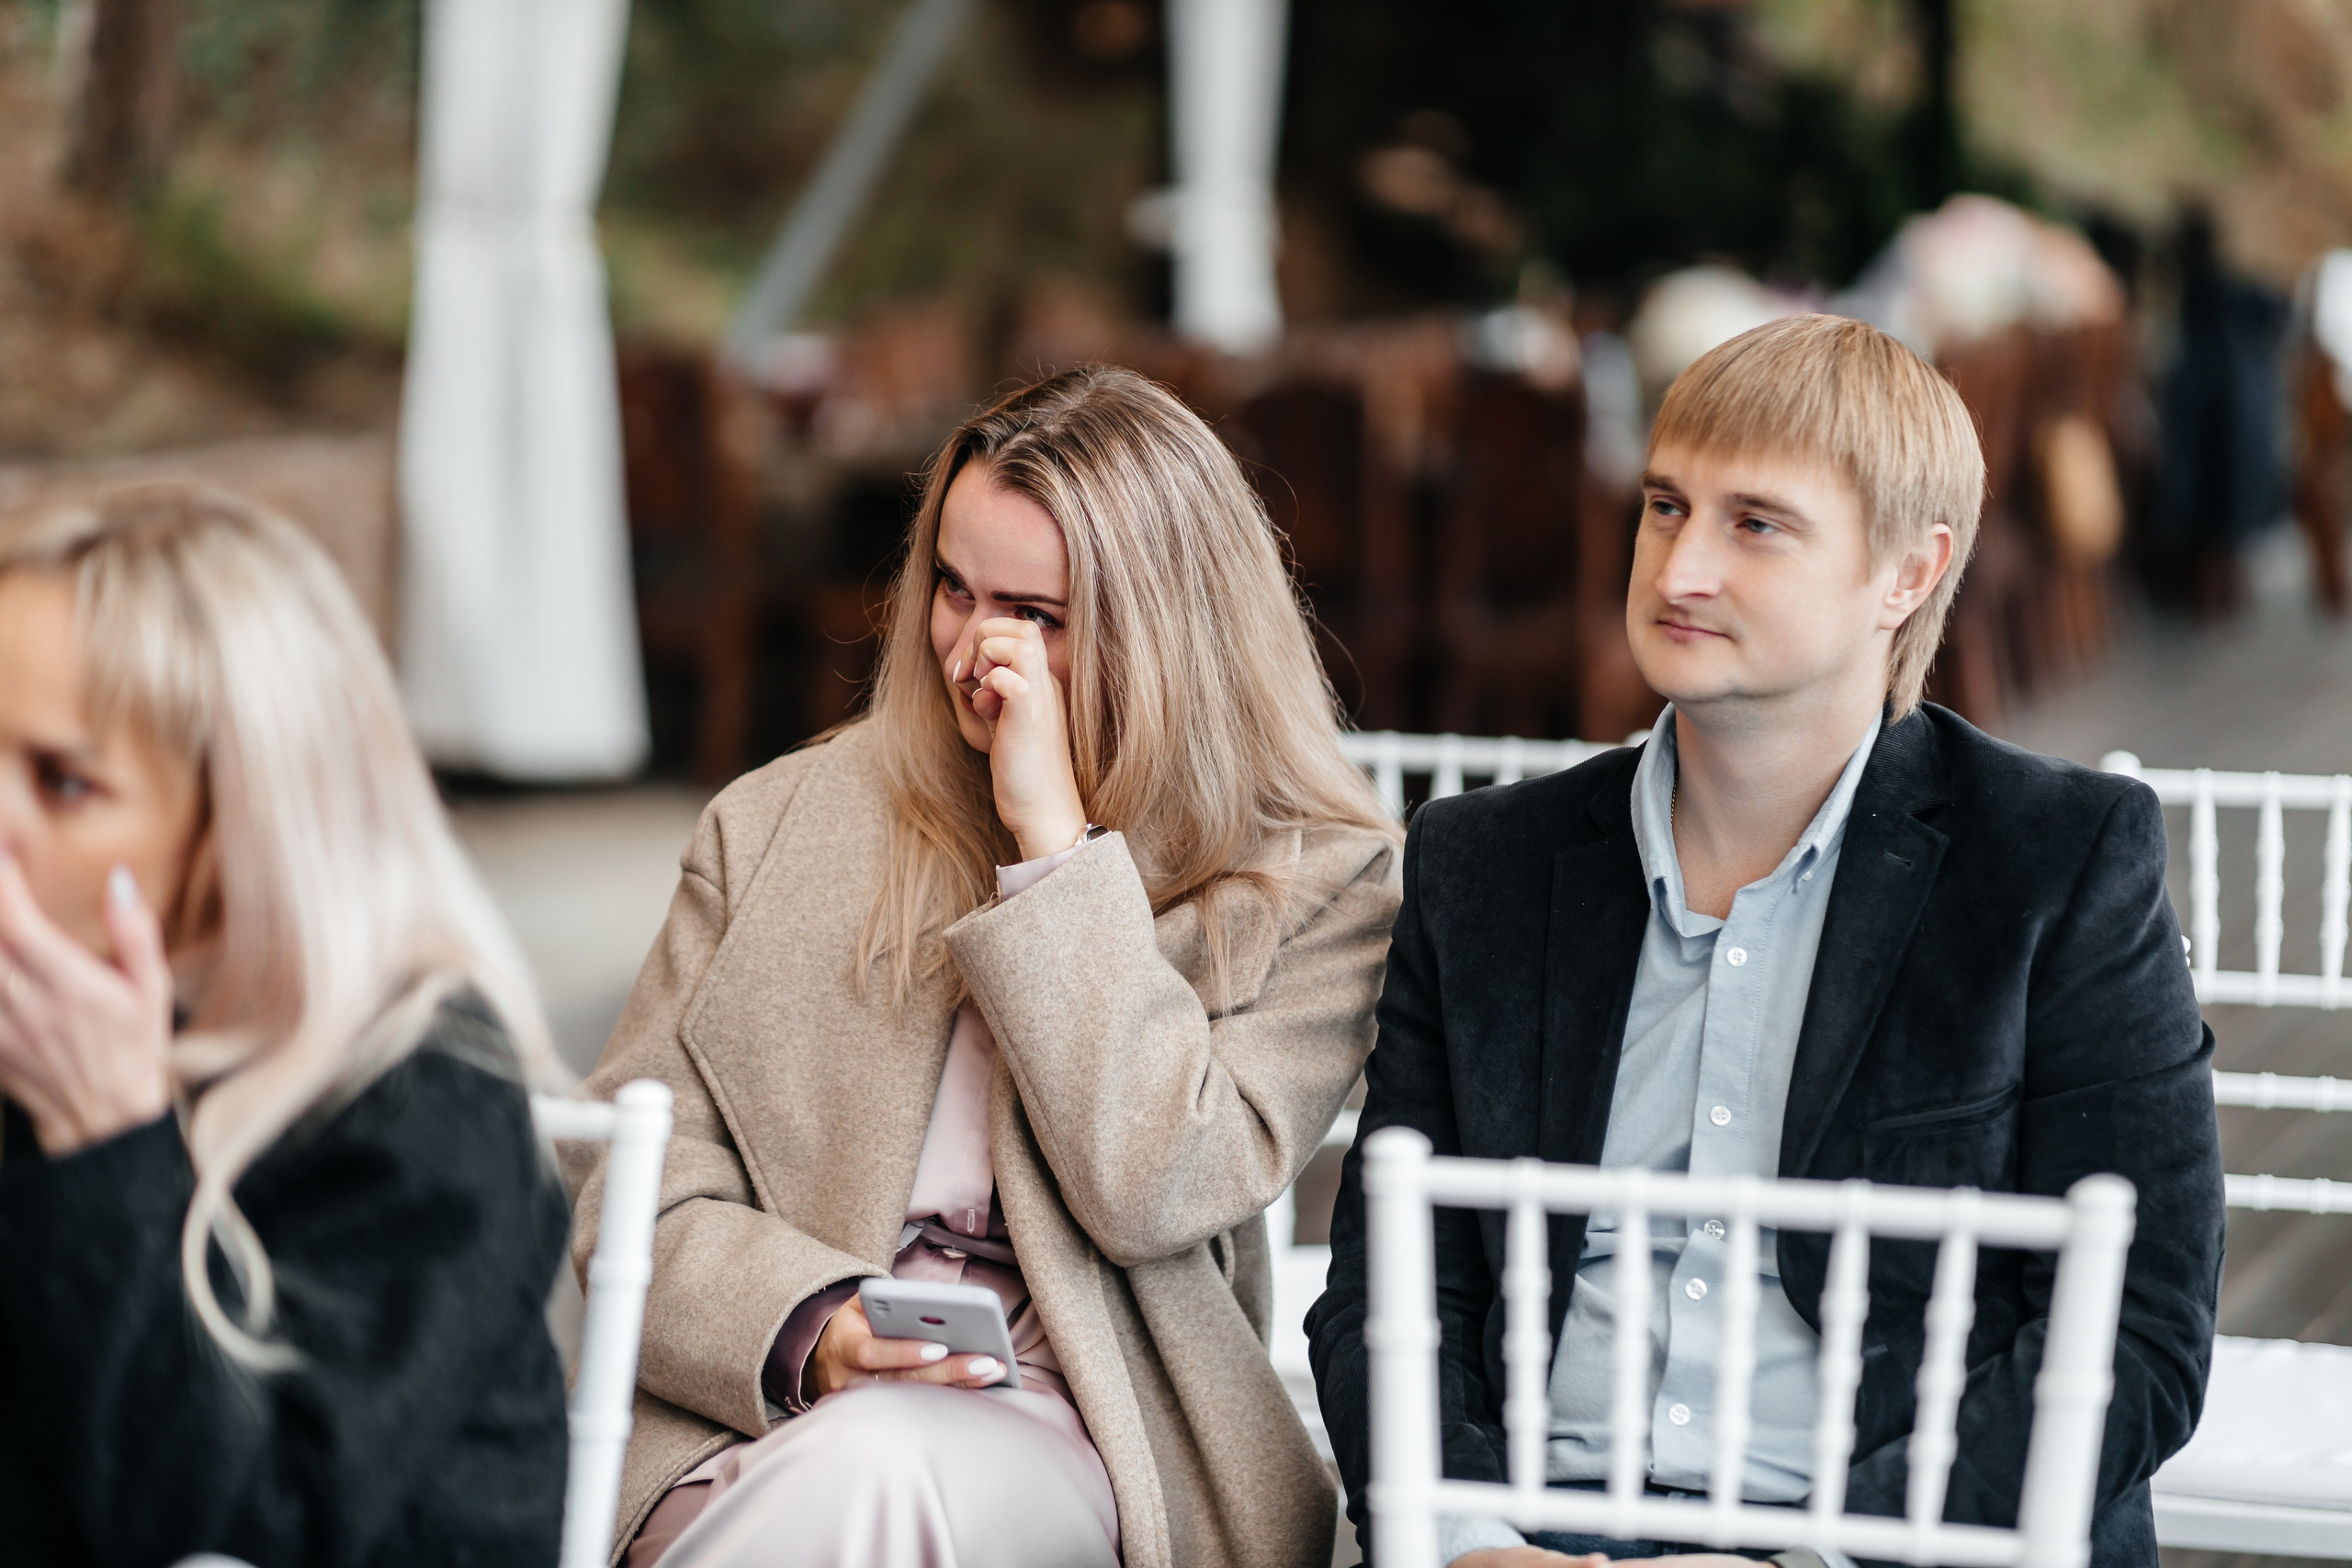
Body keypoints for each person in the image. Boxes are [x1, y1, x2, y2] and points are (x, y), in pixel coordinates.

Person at [1308, 314, 2224, 1568]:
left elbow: (2141, 1334)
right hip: (1531, 1538)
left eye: (1757, 524)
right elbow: (1391, 1292)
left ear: (1908, 572)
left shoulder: (2055, 861)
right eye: (1665, 506)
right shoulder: (1483, 866)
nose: (1679, 570)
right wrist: (1469, 1538)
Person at [565, 366, 1404, 1568]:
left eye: (1037, 614)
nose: (973, 648)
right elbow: (623, 1182)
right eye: (952, 588)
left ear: (1169, 626)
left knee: (883, 1474)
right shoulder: (776, 824)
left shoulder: (1319, 878)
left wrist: (1055, 856)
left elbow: (1156, 1181)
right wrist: (818, 1322)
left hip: (1086, 1421)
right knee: (864, 1470)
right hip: (754, 1404)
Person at [0, 485, 572, 1566]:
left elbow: (240, 1528)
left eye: (63, 782)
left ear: (249, 829)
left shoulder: (426, 1097)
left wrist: (105, 1147)